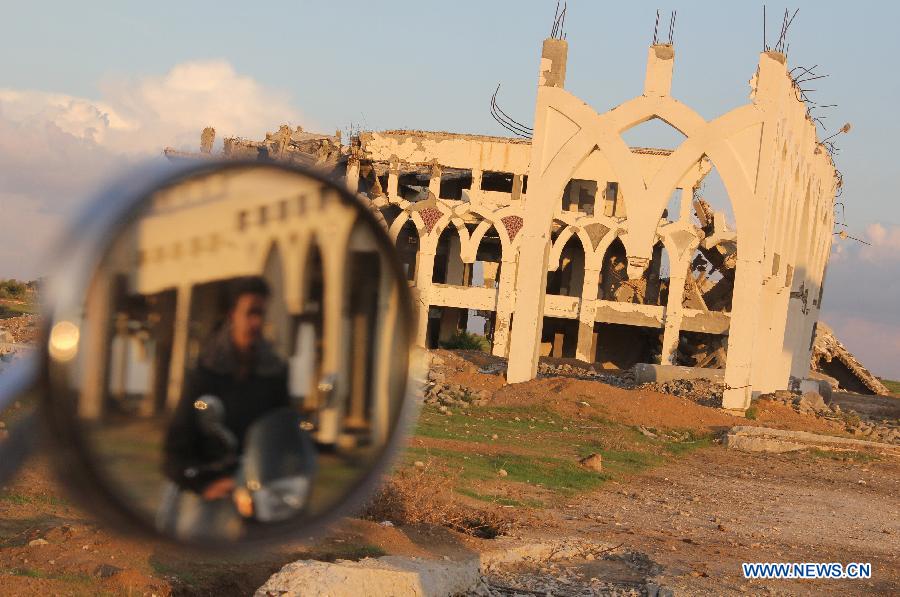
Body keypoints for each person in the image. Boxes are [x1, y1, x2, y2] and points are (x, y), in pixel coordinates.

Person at [158, 276, 290, 539]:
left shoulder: (273, 371)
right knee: (192, 542)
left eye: (261, 314)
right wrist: (203, 483)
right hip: (207, 482)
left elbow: (282, 432)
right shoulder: (205, 371)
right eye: (250, 313)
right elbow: (178, 441)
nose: (256, 322)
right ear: (232, 314)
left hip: (255, 485)